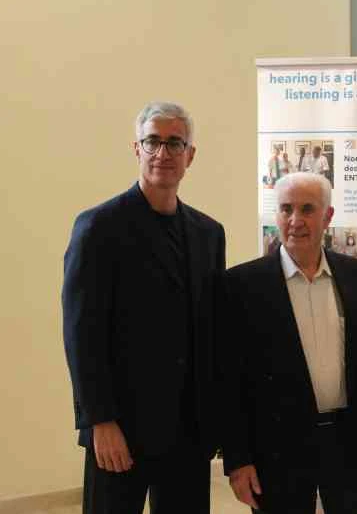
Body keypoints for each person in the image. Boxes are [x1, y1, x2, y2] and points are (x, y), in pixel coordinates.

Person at [62, 101, 226, 514]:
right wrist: (100, 421)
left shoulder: (209, 234)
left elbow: (210, 332)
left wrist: (215, 422)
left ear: (190, 155)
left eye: (175, 143)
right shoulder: (98, 227)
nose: (162, 153)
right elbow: (82, 334)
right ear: (137, 148)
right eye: (152, 141)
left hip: (188, 433)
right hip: (120, 429)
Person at [221, 172, 357, 514]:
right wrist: (238, 460)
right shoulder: (242, 284)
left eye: (307, 209)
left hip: (354, 445)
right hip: (277, 450)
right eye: (286, 209)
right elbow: (230, 381)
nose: (295, 220)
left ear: (327, 216)